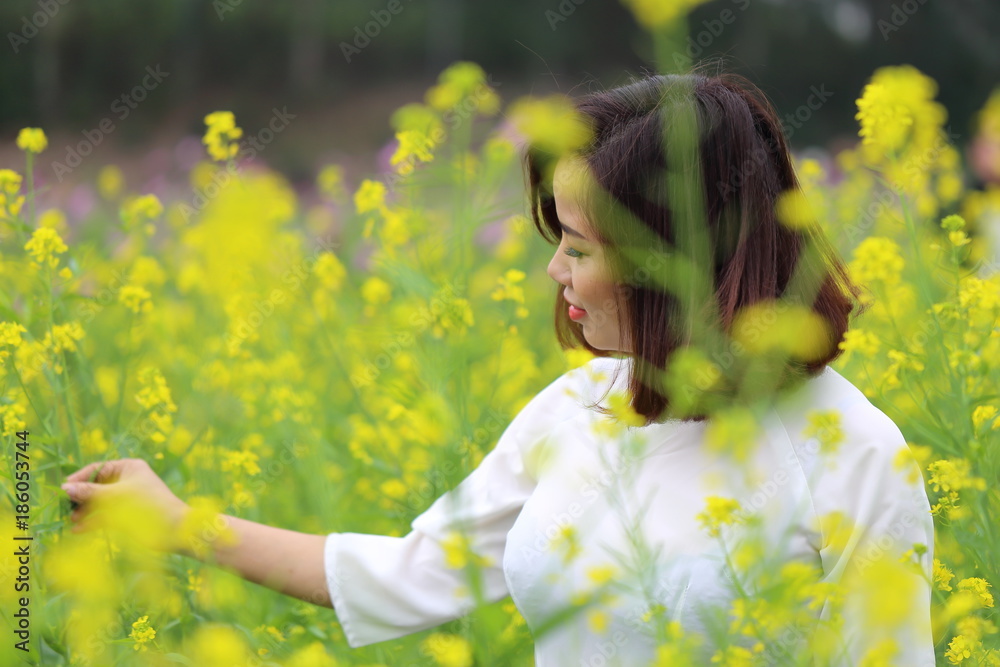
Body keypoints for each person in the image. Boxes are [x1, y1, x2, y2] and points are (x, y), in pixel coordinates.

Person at [61, 71, 937, 666]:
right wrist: (174, 522)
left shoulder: (855, 454)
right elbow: (406, 573)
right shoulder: (581, 406)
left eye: (579, 246)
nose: (555, 270)